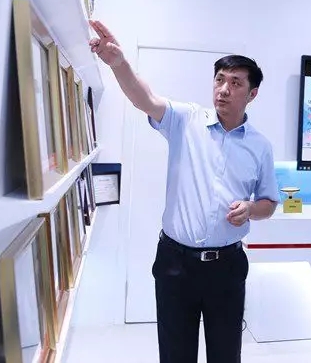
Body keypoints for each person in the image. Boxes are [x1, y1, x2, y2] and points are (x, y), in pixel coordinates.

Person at [88, 20, 279, 363]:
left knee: (225, 355)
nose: (223, 89)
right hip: (175, 264)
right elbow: (145, 98)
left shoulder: (260, 147)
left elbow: (269, 203)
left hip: (227, 266)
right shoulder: (186, 120)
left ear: (252, 94)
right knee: (175, 355)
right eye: (219, 79)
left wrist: (251, 209)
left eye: (235, 83)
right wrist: (119, 63)